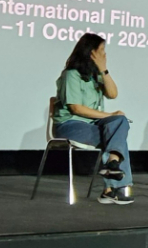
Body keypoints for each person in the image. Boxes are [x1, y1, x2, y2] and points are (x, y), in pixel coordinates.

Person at [53, 33, 134, 205]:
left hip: (92, 124)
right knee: (114, 132)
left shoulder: (95, 75)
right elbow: (76, 108)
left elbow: (113, 94)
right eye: (102, 50)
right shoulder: (71, 75)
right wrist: (111, 115)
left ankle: (112, 171)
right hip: (70, 124)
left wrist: (104, 70)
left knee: (120, 122)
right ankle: (112, 188)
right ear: (90, 52)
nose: (105, 54)